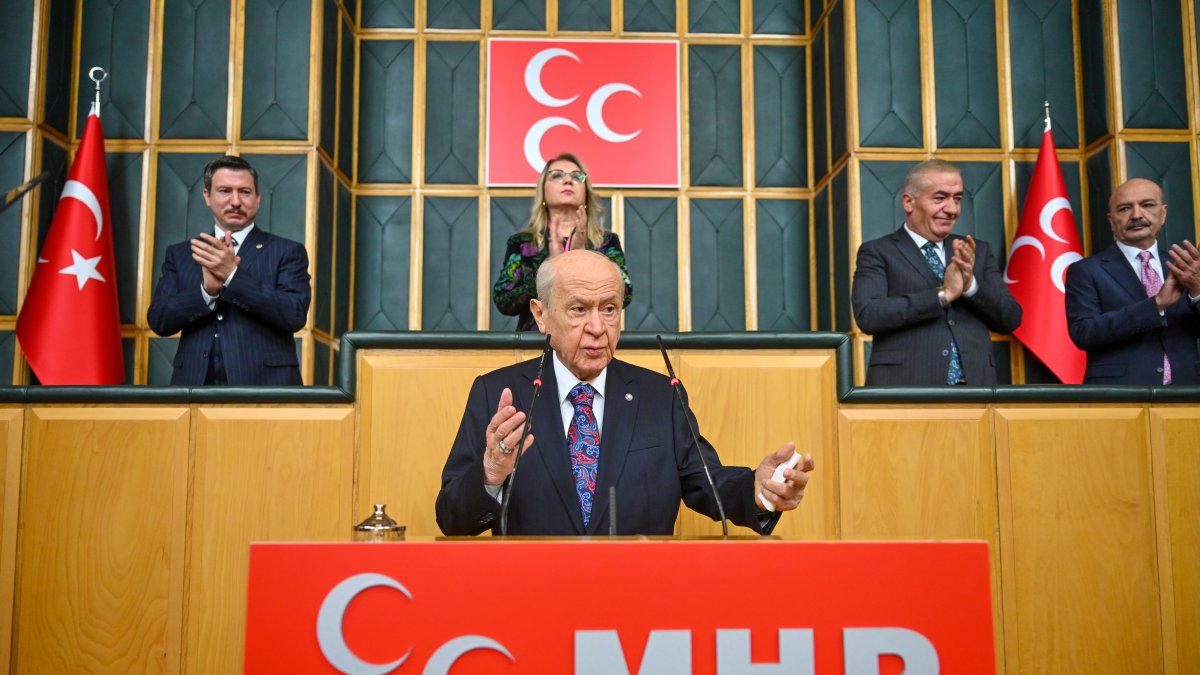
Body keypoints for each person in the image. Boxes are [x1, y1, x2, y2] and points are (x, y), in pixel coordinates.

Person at [437, 249, 814, 536]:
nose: (598, 327)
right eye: (579, 309)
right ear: (541, 314)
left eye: (610, 308)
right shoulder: (497, 394)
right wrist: (491, 474)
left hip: (640, 603)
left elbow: (709, 484)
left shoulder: (659, 396)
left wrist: (760, 491)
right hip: (533, 601)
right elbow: (452, 520)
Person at [852, 159, 1022, 386]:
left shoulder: (977, 251)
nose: (952, 209)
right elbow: (869, 315)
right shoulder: (878, 251)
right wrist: (943, 295)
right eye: (940, 198)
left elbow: (1011, 318)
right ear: (909, 203)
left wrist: (970, 286)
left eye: (958, 199)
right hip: (906, 390)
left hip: (976, 390)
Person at [148, 155, 311, 385]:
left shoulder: (287, 251)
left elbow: (294, 314)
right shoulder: (181, 254)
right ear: (207, 196)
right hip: (193, 388)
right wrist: (207, 292)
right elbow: (159, 320)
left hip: (267, 388)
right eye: (225, 191)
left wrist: (231, 276)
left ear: (258, 198)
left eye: (244, 192)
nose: (235, 201)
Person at [1065, 178, 1200, 384]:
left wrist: (1197, 292)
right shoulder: (1085, 270)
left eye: (1147, 205)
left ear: (1163, 213)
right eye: (1124, 208)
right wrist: (1155, 305)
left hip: (1187, 392)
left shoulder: (1186, 267)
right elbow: (1084, 333)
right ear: (1111, 220)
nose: (1136, 215)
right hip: (1120, 395)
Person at [493, 152, 632, 331]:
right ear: (543, 191)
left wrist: (581, 257)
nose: (568, 181)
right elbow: (504, 301)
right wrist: (549, 267)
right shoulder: (522, 243)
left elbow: (625, 295)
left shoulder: (606, 242)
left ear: (586, 192)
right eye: (557, 175)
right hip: (537, 344)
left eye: (577, 176)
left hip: (592, 338)